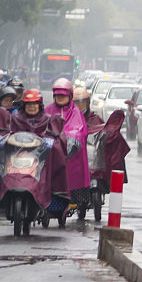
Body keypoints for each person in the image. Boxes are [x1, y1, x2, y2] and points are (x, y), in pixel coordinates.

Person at [45, 78, 91, 211]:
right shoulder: (48, 109)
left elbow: (78, 130)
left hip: (70, 153)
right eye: (57, 95)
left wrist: (66, 140)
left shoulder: (75, 111)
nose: (60, 98)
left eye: (63, 95)